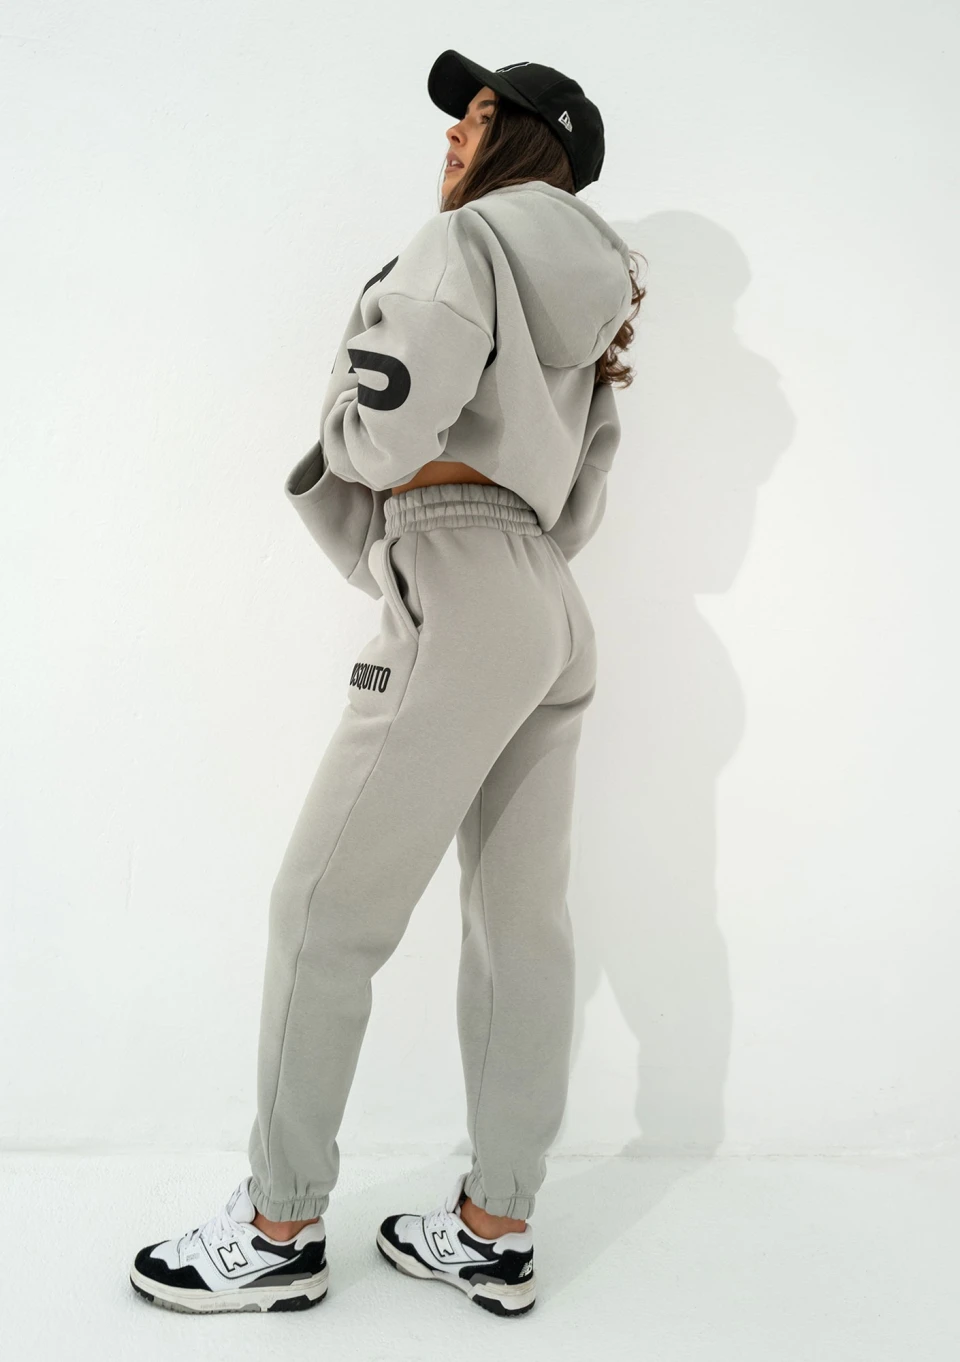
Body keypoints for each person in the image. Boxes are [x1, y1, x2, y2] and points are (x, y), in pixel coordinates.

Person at [129, 49, 645, 1319]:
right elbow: (585, 485)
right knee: (520, 927)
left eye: (479, 116)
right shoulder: (604, 292)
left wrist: (358, 456)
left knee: (321, 909)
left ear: (528, 142)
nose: (454, 137)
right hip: (547, 605)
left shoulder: (463, 244)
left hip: (458, 584)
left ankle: (277, 1227)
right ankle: (495, 1226)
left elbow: (388, 419)